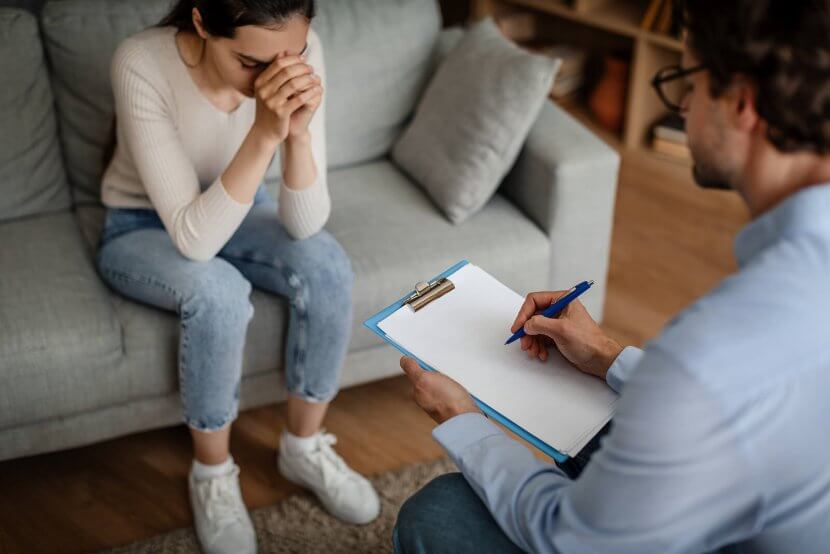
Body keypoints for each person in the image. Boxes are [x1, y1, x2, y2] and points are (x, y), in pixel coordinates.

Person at [394, 1, 830, 552]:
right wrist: (606, 354)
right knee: (595, 430)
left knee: (439, 514)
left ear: (741, 103)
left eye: (686, 82)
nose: (686, 105)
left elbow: (569, 539)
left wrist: (460, 417)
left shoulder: (717, 349)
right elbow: (744, 405)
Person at [96, 1, 379, 552]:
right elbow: (194, 240)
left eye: (291, 57)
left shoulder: (298, 52)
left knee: (326, 264)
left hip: (241, 204)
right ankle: (212, 475)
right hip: (140, 223)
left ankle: (304, 447)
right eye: (252, 62)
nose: (275, 75)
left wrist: (296, 134)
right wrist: (266, 134)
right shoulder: (140, 61)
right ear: (201, 23)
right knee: (219, 293)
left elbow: (305, 225)